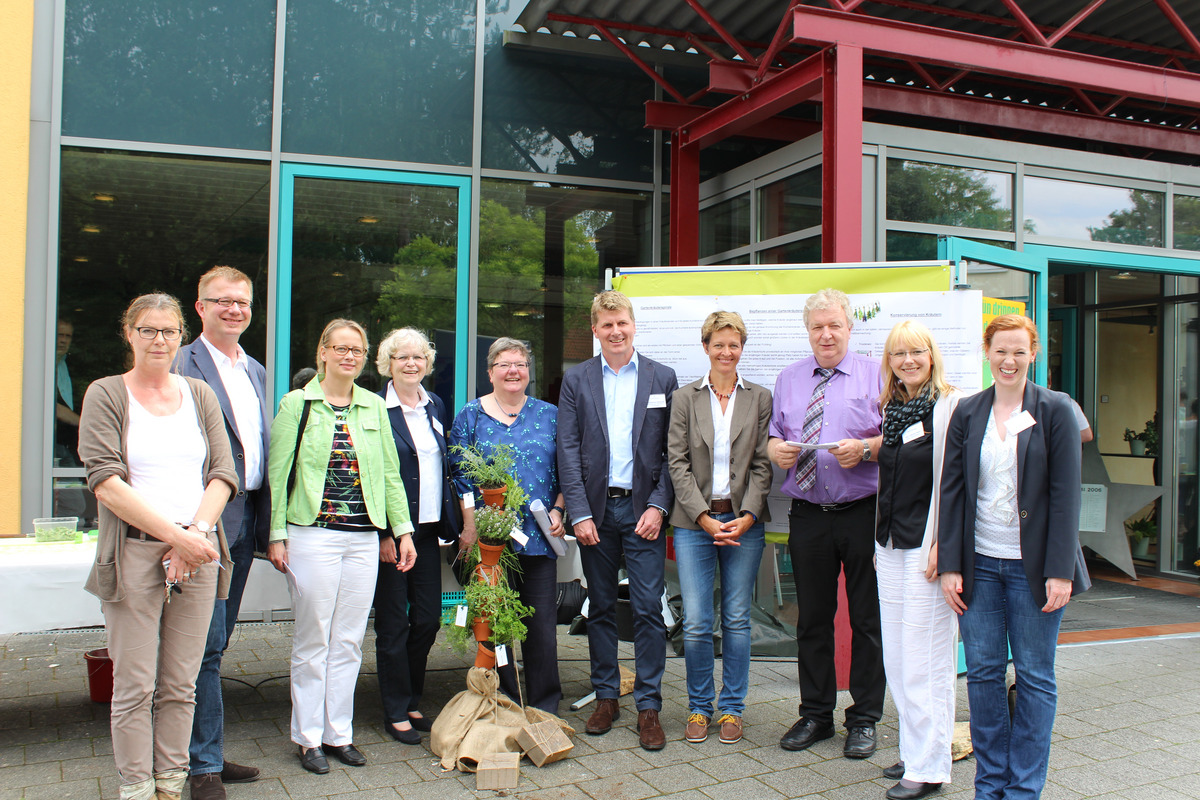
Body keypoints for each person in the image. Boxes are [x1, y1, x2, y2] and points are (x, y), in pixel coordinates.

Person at [78, 294, 237, 800]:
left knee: (181, 685)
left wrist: (194, 536)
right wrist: (179, 539)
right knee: (134, 687)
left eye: (169, 332)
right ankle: (136, 788)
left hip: (199, 551)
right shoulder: (106, 393)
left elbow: (223, 474)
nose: (160, 340)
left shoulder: (199, 393)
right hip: (138, 553)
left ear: (180, 337)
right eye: (148, 330)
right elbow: (106, 482)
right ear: (129, 334)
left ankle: (171, 784)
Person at [939, 314, 1090, 800]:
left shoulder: (1056, 410)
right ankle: (991, 783)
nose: (1009, 360)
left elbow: (1067, 495)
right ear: (987, 352)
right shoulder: (968, 411)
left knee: (1035, 676)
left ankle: (1024, 788)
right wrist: (950, 565)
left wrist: (1059, 570)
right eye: (1000, 350)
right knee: (982, 675)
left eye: (1018, 351)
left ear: (1033, 353)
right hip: (979, 563)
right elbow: (954, 490)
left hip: (1036, 570)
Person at [266, 319, 415, 775]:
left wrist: (403, 530)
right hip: (313, 533)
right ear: (323, 353)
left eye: (357, 350)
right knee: (314, 637)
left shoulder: (373, 406)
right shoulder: (297, 405)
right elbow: (278, 474)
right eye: (340, 348)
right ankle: (308, 738)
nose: (349, 356)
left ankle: (339, 734)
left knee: (349, 639)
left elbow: (391, 474)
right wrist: (276, 534)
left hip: (364, 537)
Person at [557, 290, 677, 751]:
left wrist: (659, 506)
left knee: (648, 609)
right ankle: (607, 696)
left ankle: (649, 706)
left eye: (622, 322)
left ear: (633, 324)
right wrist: (579, 512)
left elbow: (672, 450)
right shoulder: (577, 379)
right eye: (606, 325)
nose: (616, 331)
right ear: (595, 329)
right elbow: (567, 448)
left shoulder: (661, 377)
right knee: (601, 607)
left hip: (644, 510)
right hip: (596, 513)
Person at [768, 287, 885, 759]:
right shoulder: (790, 378)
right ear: (808, 331)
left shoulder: (877, 374)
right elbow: (776, 435)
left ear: (850, 327)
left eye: (835, 324)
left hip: (862, 513)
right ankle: (816, 714)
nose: (827, 334)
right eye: (818, 326)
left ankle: (864, 719)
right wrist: (774, 449)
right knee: (811, 619)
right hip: (808, 516)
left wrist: (868, 448)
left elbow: (895, 436)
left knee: (866, 619)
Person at [176, 267, 269, 800]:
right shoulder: (181, 362)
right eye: (223, 301)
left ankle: (198, 749)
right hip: (202, 523)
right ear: (201, 306)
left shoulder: (253, 369)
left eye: (243, 303)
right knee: (201, 648)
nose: (235, 310)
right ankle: (201, 765)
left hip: (245, 522)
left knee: (217, 644)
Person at [666, 311, 772, 746]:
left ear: (741, 348)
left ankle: (731, 709)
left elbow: (764, 463)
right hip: (695, 523)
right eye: (719, 344)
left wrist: (745, 517)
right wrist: (705, 519)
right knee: (695, 621)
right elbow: (677, 463)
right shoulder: (685, 397)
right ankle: (697, 706)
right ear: (706, 347)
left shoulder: (760, 397)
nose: (726, 352)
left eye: (734, 344)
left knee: (737, 619)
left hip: (744, 521)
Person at [450, 337, 566, 713]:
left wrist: (560, 509)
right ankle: (505, 701)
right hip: (490, 542)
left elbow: (568, 470)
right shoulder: (470, 415)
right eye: (504, 364)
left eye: (520, 364)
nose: (513, 370)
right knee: (496, 626)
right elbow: (460, 475)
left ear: (529, 372)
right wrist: (471, 525)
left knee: (542, 629)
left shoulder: (551, 415)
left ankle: (546, 706)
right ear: (490, 372)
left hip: (539, 538)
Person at [874, 321, 962, 800]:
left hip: (926, 547)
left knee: (926, 660)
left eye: (916, 352)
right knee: (898, 656)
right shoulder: (894, 407)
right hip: (889, 546)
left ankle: (930, 768)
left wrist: (942, 546)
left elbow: (955, 481)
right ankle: (913, 750)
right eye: (897, 354)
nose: (907, 361)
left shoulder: (950, 406)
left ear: (932, 355)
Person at [373, 327, 462, 744]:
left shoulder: (435, 405)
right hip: (391, 534)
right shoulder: (374, 409)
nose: (411, 364)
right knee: (394, 623)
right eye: (401, 357)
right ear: (387, 364)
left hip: (427, 534)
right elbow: (372, 476)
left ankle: (411, 697)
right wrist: (383, 534)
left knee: (427, 618)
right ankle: (395, 710)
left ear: (428, 363)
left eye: (419, 357)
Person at [55, 319, 81, 466]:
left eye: (67, 336)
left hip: (67, 444)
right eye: (59, 335)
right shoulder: (43, 364)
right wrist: (85, 424)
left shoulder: (66, 364)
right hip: (50, 444)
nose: (63, 340)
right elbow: (54, 407)